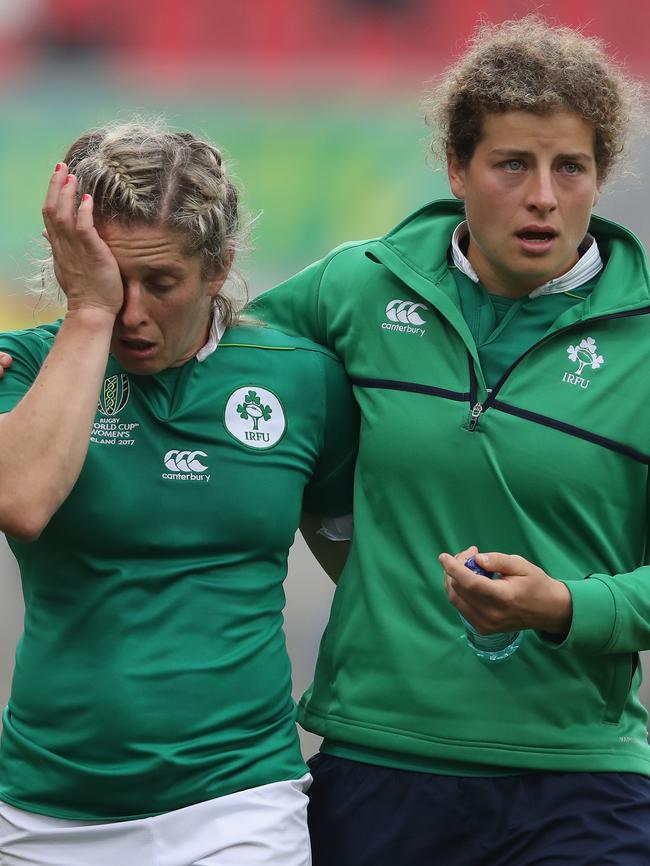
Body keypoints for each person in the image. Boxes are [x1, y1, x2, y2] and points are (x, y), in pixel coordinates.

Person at [250, 16, 650, 866]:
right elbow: (199, 352)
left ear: (599, 176)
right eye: (512, 164)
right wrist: (39, 352)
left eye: (570, 167)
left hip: (580, 780)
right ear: (457, 169)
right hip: (380, 762)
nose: (543, 195)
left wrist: (568, 607)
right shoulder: (356, 287)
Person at [0, 122, 357, 866]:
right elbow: (24, 502)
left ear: (219, 264)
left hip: (241, 801)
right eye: (111, 277)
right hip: (46, 811)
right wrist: (85, 314)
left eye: (160, 282)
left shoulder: (302, 381)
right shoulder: (28, 370)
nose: (132, 310)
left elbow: (361, 566)